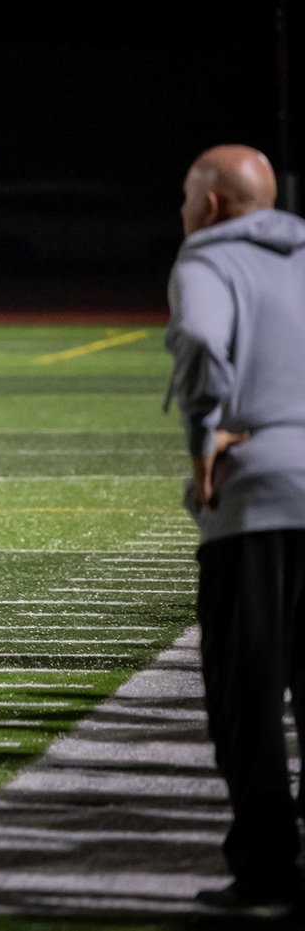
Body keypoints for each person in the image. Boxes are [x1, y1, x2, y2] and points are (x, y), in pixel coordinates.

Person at [165, 143, 305, 914]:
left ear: (212, 205)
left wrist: (204, 447)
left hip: (259, 503)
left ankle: (268, 867)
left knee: (245, 696)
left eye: (187, 199)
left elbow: (200, 345)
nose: (182, 214)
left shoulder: (205, 260)